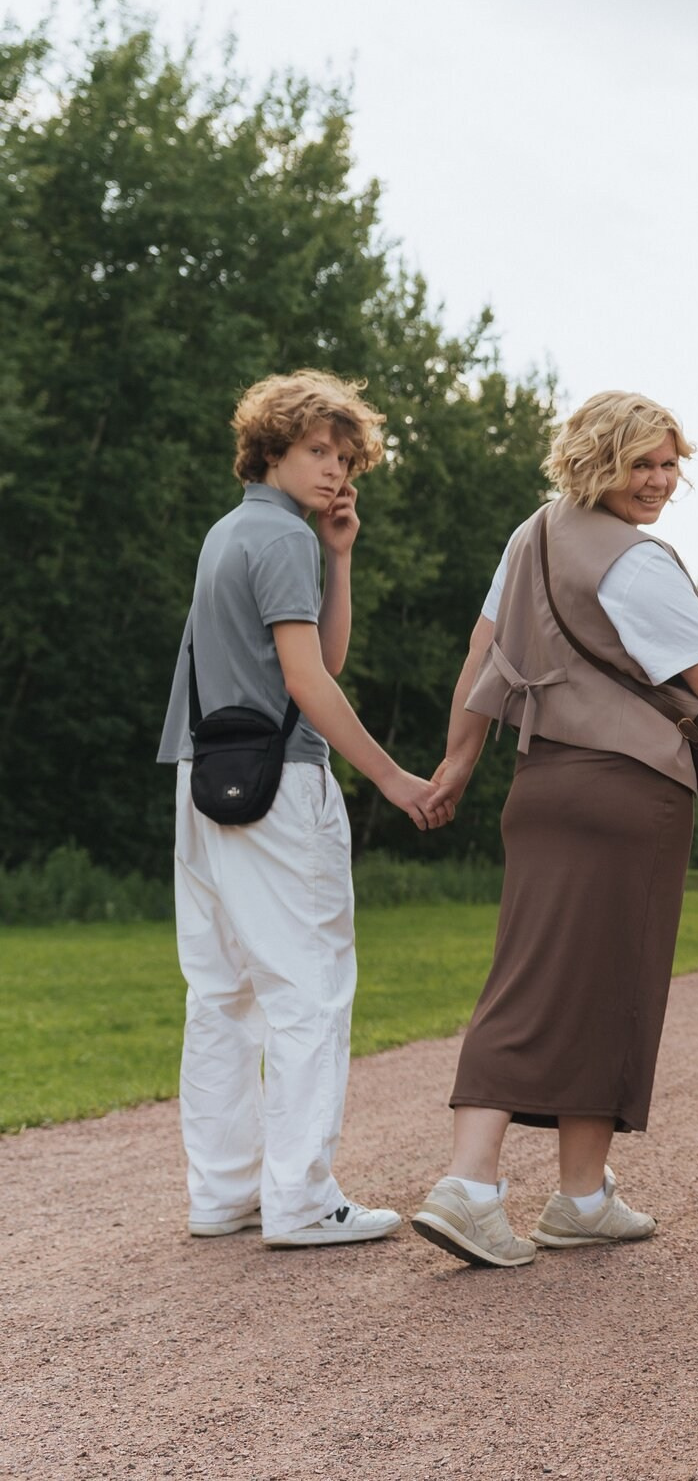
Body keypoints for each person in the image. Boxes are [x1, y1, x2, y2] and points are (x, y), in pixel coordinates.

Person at [408, 392, 698, 1268]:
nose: (658, 482)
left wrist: (459, 763)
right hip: (626, 790)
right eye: (640, 463)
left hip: (540, 783)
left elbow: (480, 652)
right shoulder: (635, 563)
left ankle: (581, 1197)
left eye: (669, 463)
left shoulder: (528, 538)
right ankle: (469, 1184)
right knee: (558, 986)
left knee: (585, 981)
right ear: (594, 459)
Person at [160, 370, 452, 1249]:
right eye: (317, 451)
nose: (335, 470)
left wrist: (340, 556)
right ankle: (301, 1200)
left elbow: (319, 652)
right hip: (279, 785)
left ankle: (222, 1194)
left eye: (344, 455)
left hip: (200, 778)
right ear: (272, 448)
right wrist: (396, 779)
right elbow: (308, 681)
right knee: (310, 991)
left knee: (220, 993)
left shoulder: (233, 533)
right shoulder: (277, 538)